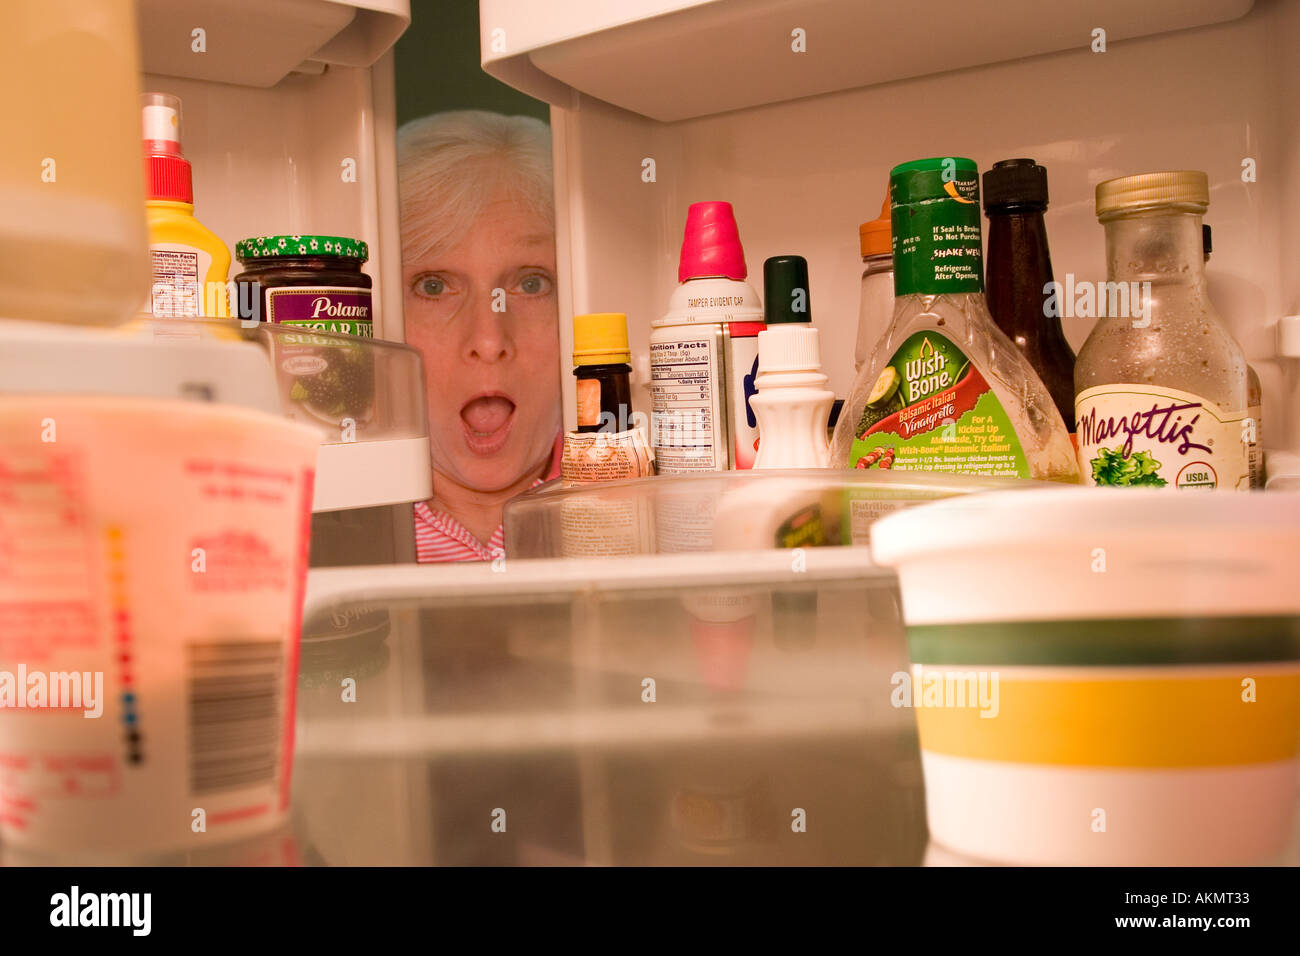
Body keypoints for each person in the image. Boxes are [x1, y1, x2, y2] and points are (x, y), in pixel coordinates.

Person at [397, 110, 562, 562]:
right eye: (434, 287)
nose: (489, 342)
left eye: (531, 284)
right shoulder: (325, 523)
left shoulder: (636, 497)